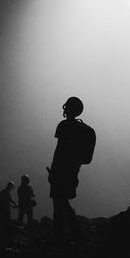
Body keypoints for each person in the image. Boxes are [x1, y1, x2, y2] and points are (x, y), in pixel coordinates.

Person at [47, 97, 85, 241]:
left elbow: (59, 151)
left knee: (58, 202)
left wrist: (53, 171)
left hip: (60, 170)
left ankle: (60, 234)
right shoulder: (81, 129)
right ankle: (73, 231)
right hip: (72, 171)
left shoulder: (63, 126)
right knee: (63, 200)